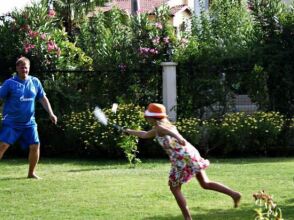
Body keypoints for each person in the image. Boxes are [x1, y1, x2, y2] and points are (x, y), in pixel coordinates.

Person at [124, 103, 241, 220]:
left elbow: (170, 133)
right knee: (205, 183)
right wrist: (129, 131)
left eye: (147, 116)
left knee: (174, 188)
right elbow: (144, 134)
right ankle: (234, 194)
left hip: (181, 159)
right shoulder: (163, 126)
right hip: (190, 155)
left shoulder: (160, 127)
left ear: (152, 117)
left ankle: (187, 218)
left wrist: (179, 138)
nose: (146, 118)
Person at [0, 56, 57, 179]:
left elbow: (42, 98)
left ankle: (31, 173)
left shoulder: (35, 82)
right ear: (17, 68)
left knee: (35, 145)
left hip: (29, 123)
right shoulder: (10, 83)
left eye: (26, 67)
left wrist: (51, 113)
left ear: (29, 68)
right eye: (21, 67)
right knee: (3, 146)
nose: (24, 70)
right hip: (11, 122)